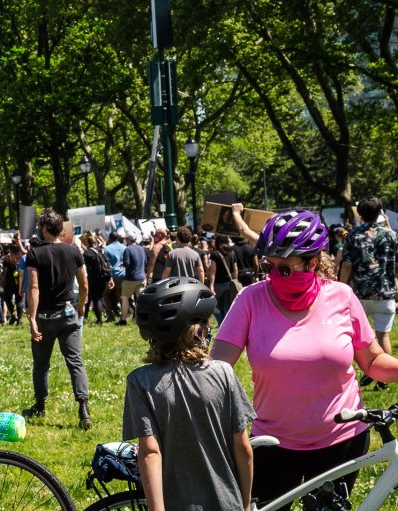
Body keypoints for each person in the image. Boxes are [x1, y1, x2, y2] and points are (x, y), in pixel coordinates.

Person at [212, 208, 398, 509]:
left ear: (313, 262)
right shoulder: (250, 299)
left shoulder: (342, 296)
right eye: (267, 266)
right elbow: (217, 367)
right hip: (272, 444)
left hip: (342, 442)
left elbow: (373, 361)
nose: (274, 277)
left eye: (284, 269)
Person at [125, 277, 254, 511]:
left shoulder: (140, 381)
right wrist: (245, 504)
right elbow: (243, 446)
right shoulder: (223, 373)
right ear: (200, 329)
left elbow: (150, 453)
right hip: (227, 503)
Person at [23, 209, 92, 428]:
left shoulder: (35, 253)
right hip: (69, 315)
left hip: (44, 317)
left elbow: (33, 287)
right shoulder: (73, 252)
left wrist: (32, 318)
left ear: (44, 228)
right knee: (75, 362)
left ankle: (40, 404)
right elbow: (84, 285)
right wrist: (80, 306)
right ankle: (83, 406)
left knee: (41, 364)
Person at [340, 196, 398, 392]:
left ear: (360, 214)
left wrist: (341, 288)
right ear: (380, 211)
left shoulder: (353, 236)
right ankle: (384, 380)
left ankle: (366, 372)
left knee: (360, 339)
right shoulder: (391, 235)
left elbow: (347, 265)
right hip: (386, 292)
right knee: (384, 335)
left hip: (360, 295)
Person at [80, 231, 113, 325]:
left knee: (96, 299)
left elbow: (87, 267)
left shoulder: (87, 253)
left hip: (93, 278)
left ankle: (99, 320)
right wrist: (109, 277)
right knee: (100, 297)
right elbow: (107, 262)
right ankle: (109, 315)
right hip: (103, 276)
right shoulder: (101, 250)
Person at [208, 235, 240, 324]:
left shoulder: (214, 254)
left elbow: (213, 271)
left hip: (218, 284)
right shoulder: (232, 252)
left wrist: (211, 285)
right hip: (229, 283)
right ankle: (227, 324)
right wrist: (235, 281)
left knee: (215, 307)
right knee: (227, 306)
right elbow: (235, 269)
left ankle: (221, 323)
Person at [119, 232, 147, 325]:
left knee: (124, 298)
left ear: (129, 239)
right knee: (140, 299)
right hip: (142, 277)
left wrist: (122, 264)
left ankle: (123, 319)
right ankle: (143, 319)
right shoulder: (141, 248)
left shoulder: (128, 249)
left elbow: (127, 263)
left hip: (131, 278)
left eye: (126, 239)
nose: (125, 240)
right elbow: (145, 261)